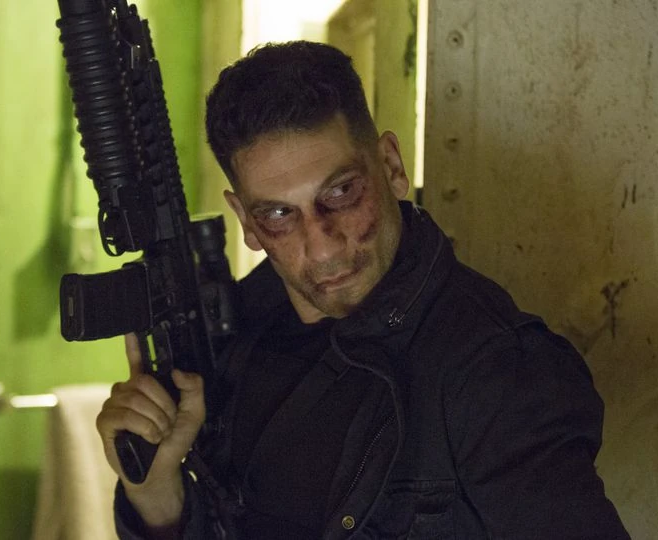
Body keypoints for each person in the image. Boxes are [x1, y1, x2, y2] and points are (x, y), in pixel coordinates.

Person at [97, 40, 629, 539]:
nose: (322, 247)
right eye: (279, 214)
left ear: (391, 167)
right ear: (246, 222)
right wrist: (156, 494)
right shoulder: (240, 337)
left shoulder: (495, 372)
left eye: (341, 192)